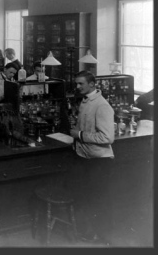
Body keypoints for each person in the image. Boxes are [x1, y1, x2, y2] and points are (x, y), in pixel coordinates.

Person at [65, 70, 115, 245]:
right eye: (76, 83)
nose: (77, 87)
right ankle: (89, 233)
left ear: (92, 84)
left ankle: (101, 237)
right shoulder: (86, 101)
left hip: (99, 162)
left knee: (97, 201)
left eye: (81, 84)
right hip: (85, 158)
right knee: (86, 198)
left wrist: (78, 134)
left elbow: (107, 138)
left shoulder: (102, 105)